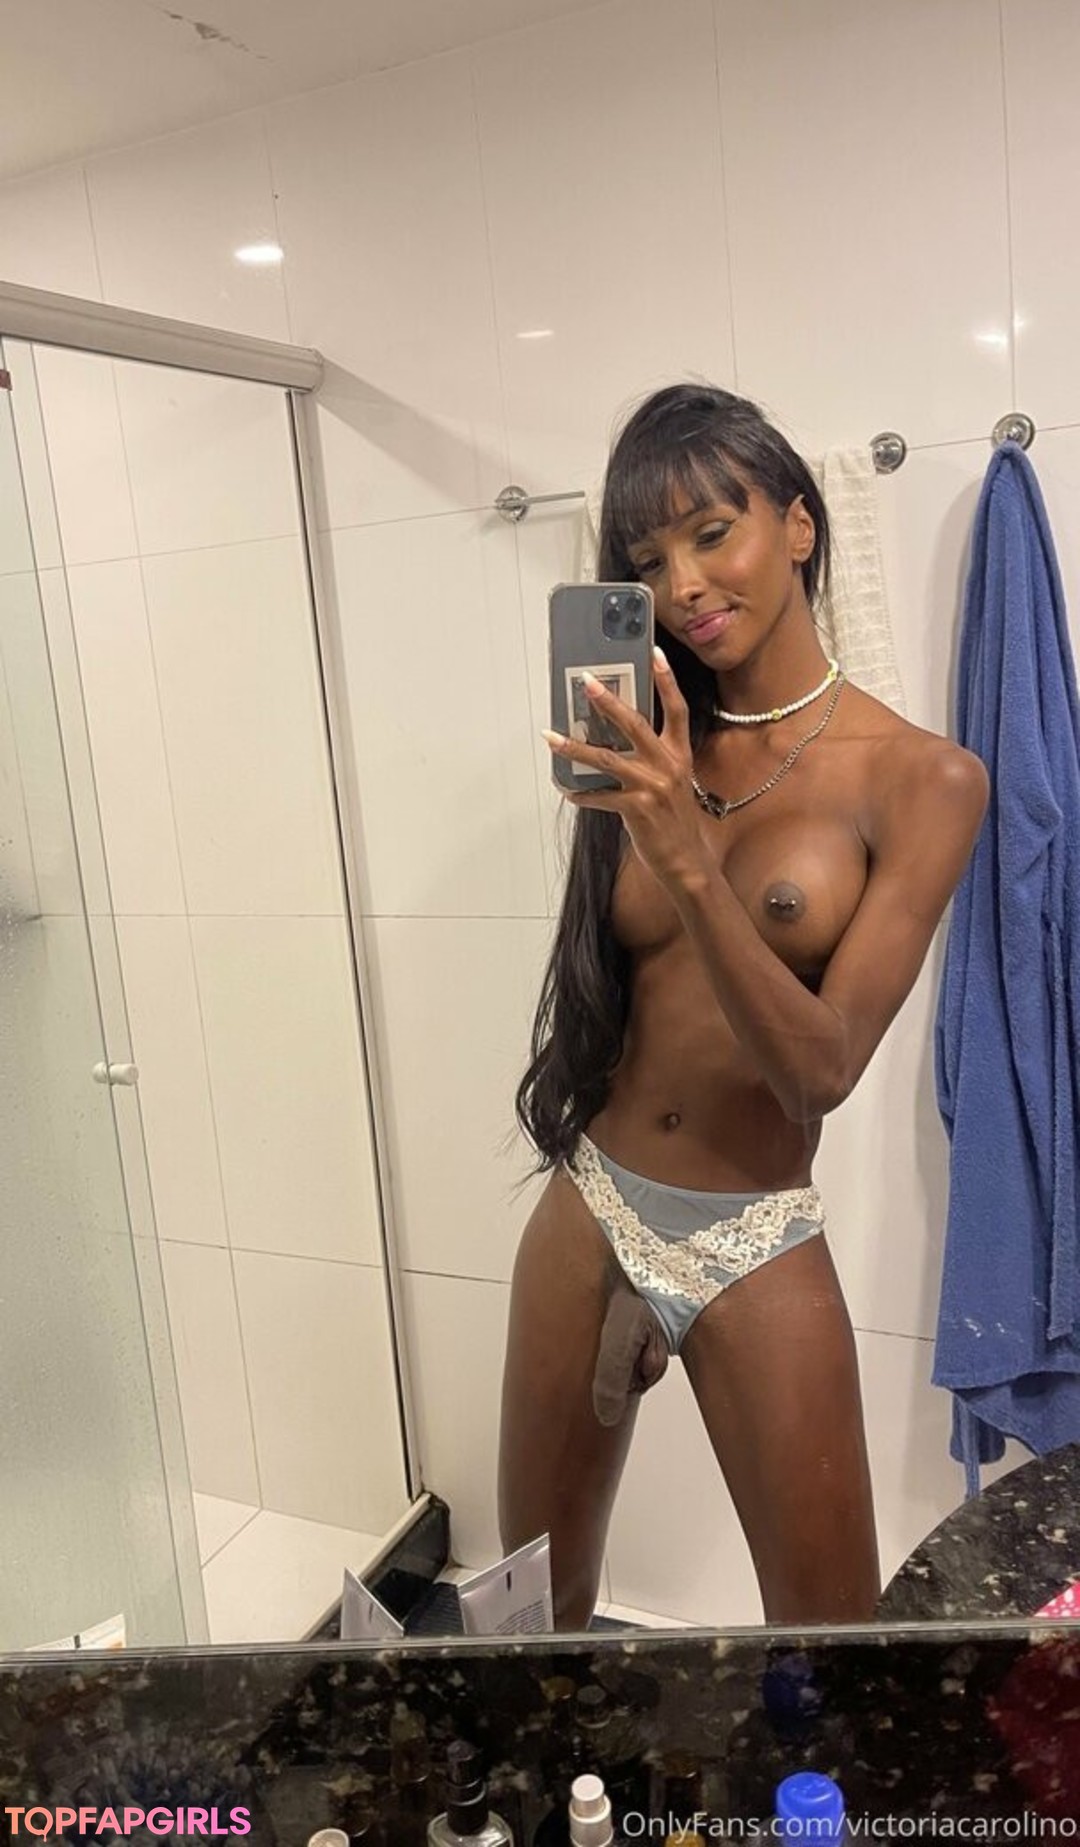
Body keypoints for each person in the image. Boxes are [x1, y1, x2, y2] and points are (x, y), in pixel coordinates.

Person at [499, 384, 988, 1629]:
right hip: (592, 1201)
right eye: (647, 558)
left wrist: (683, 855)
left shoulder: (925, 778)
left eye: (712, 533)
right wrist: (645, 808)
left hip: (751, 1230)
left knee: (832, 1645)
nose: (683, 585)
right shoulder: (655, 737)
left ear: (800, 524)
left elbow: (821, 1067)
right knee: (533, 1612)